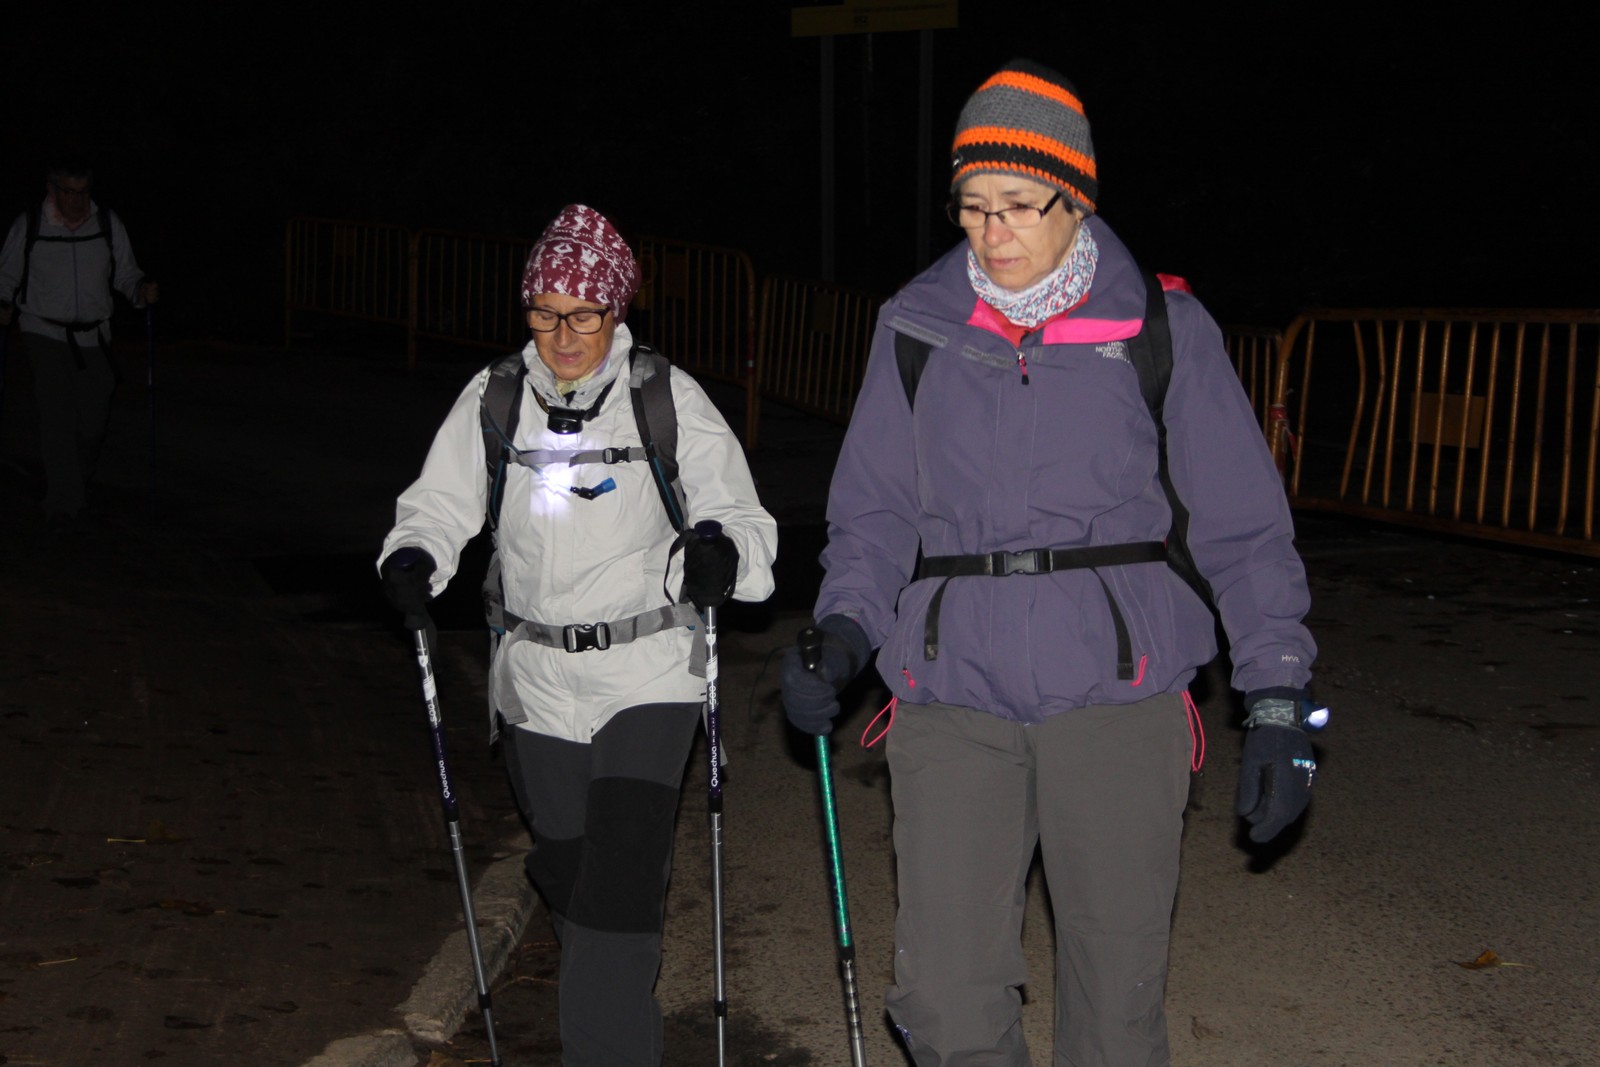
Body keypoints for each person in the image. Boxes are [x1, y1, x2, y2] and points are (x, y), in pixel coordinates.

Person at [780, 60, 1321, 1066]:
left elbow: (1243, 528)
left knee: (1115, 1005)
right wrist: (846, 626)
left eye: (1019, 204)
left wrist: (1279, 696)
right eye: (972, 206)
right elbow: (874, 512)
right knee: (942, 998)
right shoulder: (916, 325)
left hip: (1118, 694)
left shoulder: (1163, 327)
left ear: (1076, 199)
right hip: (950, 689)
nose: (992, 232)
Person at [377, 204, 776, 1065]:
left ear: (617, 310)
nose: (563, 335)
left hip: (649, 672)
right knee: (574, 876)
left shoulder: (663, 397)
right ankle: (618, 1009)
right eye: (544, 312)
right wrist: (413, 554)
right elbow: (437, 503)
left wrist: (720, 550)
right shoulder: (496, 396)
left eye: (584, 315)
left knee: (620, 878)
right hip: (534, 678)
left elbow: (739, 513)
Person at [0, 158, 159, 518]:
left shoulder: (106, 222)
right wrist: (2, 303)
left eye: (84, 192)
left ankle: (73, 479)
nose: (77, 201)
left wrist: (140, 291)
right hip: (43, 330)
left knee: (93, 420)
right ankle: (64, 502)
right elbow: (6, 275)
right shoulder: (30, 224)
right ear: (52, 189)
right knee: (56, 414)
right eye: (69, 192)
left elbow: (126, 273)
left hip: (94, 336)